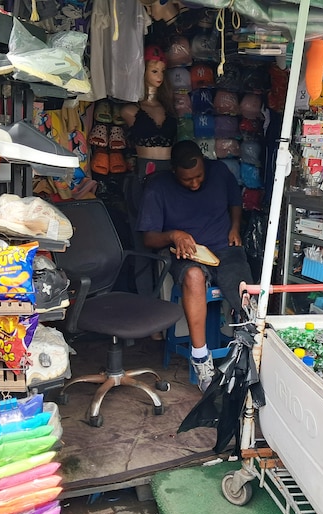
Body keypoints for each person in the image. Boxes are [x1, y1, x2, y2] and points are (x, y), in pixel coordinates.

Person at [136, 140, 253, 392]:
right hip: (188, 254)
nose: (195, 183)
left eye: (199, 176)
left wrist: (234, 227)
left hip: (224, 249)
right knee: (193, 276)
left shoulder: (219, 172)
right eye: (187, 180)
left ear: (204, 162)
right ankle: (201, 360)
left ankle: (246, 353)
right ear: (174, 171)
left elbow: (235, 202)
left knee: (242, 288)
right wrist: (173, 235)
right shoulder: (158, 187)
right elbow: (148, 239)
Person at [121, 45, 178, 297]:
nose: (159, 75)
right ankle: (147, 304)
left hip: (170, 176)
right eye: (154, 70)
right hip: (144, 176)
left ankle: (169, 306)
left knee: (169, 240)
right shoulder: (130, 110)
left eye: (162, 71)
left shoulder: (169, 108)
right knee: (142, 240)